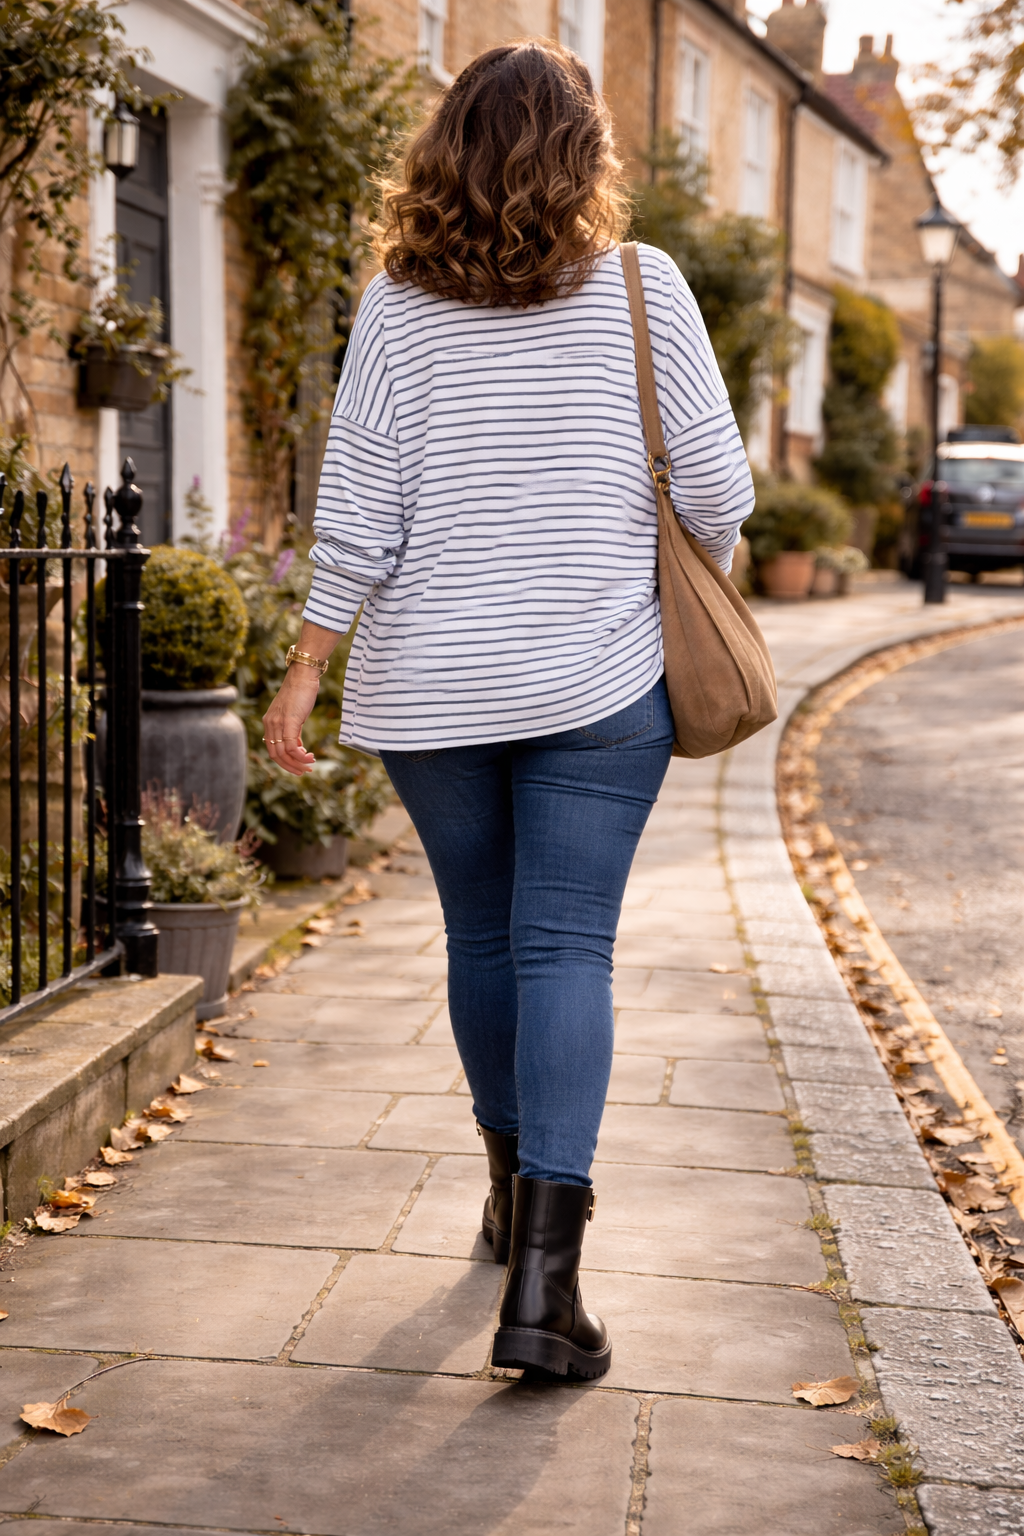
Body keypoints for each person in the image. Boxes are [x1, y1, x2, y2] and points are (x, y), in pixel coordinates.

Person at [262, 39, 753, 1381]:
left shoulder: (395, 306)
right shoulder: (646, 289)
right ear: (590, 154)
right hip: (603, 681)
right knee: (565, 952)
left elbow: (358, 510)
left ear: (442, 156)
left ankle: (502, 1196)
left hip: (434, 686)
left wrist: (307, 663)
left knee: (485, 940)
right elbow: (719, 489)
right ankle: (546, 1283)